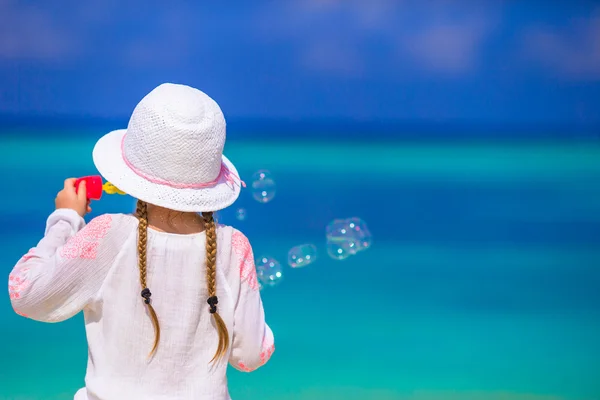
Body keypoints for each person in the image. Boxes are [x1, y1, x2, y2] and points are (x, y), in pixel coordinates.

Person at [7, 83, 275, 400]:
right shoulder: (233, 247)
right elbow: (251, 357)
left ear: (130, 176)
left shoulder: (108, 234)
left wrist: (65, 219)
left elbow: (26, 294)